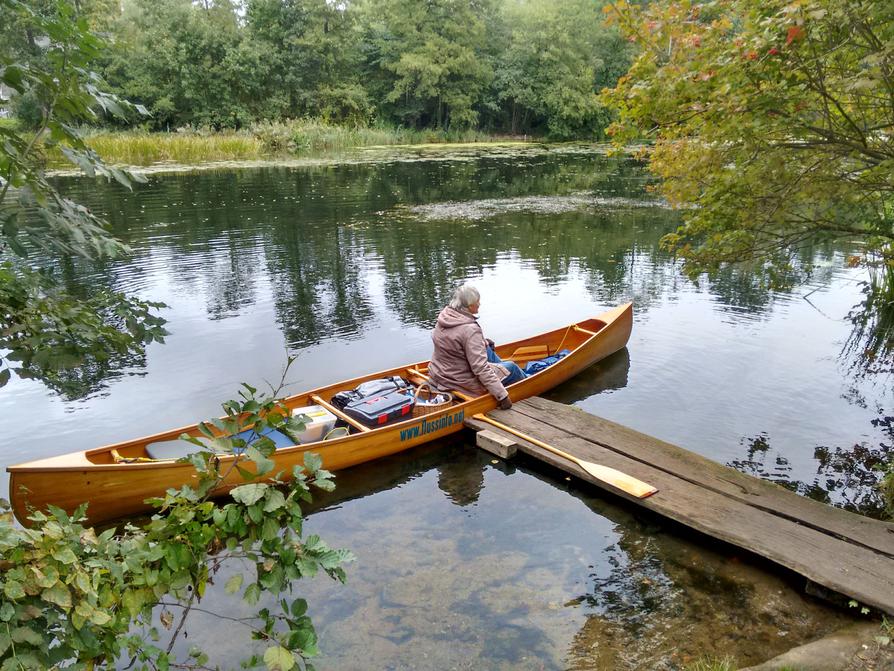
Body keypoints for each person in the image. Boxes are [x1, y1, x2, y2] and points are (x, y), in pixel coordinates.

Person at [428, 284, 526, 409]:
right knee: (512, 367)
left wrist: (481, 342)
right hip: (461, 381)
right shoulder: (470, 330)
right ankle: (529, 381)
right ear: (469, 306)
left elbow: (454, 342)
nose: (480, 304)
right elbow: (480, 368)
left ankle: (502, 372)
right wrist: (502, 396)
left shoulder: (444, 318)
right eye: (477, 301)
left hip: (441, 374)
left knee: (487, 349)